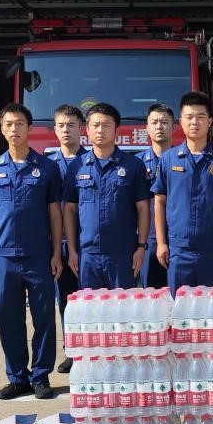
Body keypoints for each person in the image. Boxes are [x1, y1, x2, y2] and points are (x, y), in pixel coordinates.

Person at [0, 103, 65, 400]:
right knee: (8, 318)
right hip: (5, 257)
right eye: (8, 124)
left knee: (44, 318)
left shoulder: (48, 168)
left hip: (39, 255)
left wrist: (56, 253)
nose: (14, 129)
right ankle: (17, 378)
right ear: (2, 129)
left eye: (19, 123)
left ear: (29, 128)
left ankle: (40, 376)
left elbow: (55, 213)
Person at [153, 91, 213, 293]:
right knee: (179, 306)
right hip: (178, 249)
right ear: (181, 122)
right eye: (189, 117)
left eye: (201, 117)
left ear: (209, 121)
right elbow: (159, 201)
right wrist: (161, 243)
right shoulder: (168, 159)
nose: (195, 122)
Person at [62, 102, 150, 290]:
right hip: (88, 255)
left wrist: (141, 247)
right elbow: (69, 210)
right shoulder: (77, 166)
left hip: (123, 254)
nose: (100, 130)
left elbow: (143, 208)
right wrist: (72, 250)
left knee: (122, 306)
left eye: (106, 125)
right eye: (95, 125)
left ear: (116, 131)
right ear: (87, 130)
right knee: (91, 306)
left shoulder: (133, 166)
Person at [49, 103, 85, 374]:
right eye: (61, 125)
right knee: (65, 299)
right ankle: (71, 350)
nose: (66, 130)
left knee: (91, 299)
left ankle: (92, 349)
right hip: (58, 243)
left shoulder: (91, 160)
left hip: (89, 242)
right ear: (54, 129)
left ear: (81, 129)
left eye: (71, 125)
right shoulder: (47, 165)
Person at [137, 103, 174, 290]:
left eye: (164, 122)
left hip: (178, 238)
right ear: (147, 128)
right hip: (148, 239)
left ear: (174, 127)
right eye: (154, 122)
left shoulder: (183, 159)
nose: (159, 126)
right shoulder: (136, 163)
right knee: (151, 295)